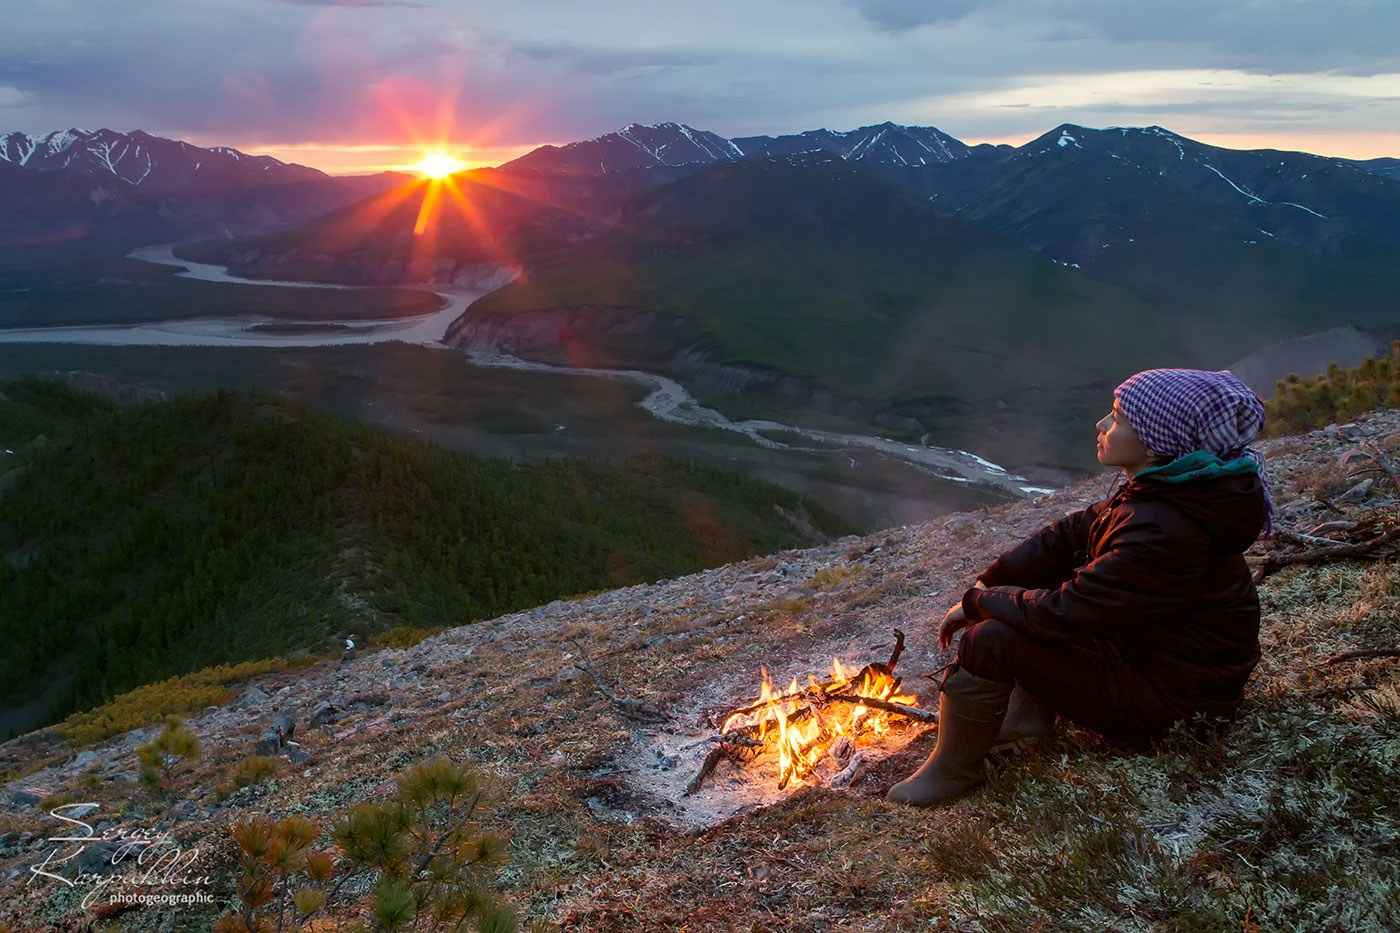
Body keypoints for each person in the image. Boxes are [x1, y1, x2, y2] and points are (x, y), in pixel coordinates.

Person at [887, 368, 1272, 807]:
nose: (1101, 425)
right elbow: (1070, 533)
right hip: (1154, 668)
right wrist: (991, 581)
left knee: (990, 640)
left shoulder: (1166, 530)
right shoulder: (1170, 493)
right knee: (1040, 582)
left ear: (1156, 440)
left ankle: (952, 772)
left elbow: (1062, 613)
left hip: (1175, 710)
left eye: (1117, 417)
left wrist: (978, 603)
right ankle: (1024, 723)